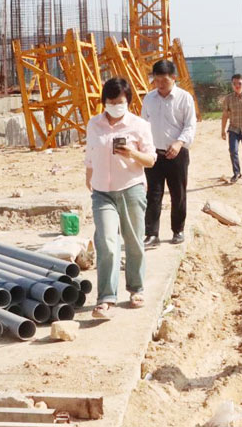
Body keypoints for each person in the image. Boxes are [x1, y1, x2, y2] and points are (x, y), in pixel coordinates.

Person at [84, 77, 156, 319]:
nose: (115, 105)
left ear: (128, 102)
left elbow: (151, 159)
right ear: (104, 102)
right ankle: (106, 297)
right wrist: (89, 175)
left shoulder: (138, 125)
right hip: (102, 192)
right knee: (106, 242)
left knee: (134, 241)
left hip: (131, 188)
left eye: (120, 102)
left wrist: (132, 153)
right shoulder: (94, 124)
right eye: (111, 101)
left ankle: (136, 289)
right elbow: (90, 153)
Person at [142, 60, 197, 245]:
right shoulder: (149, 99)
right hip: (154, 154)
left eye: (164, 81)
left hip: (177, 154)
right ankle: (152, 234)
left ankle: (178, 230)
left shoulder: (184, 98)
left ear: (174, 78)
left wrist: (179, 143)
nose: (160, 85)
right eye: (156, 80)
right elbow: (143, 125)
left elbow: (190, 126)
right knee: (153, 194)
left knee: (178, 193)